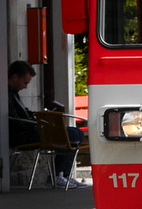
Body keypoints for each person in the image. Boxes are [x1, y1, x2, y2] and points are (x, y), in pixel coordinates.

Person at [8, 59, 86, 189]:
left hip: (28, 129)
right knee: (70, 134)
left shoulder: (13, 93)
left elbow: (23, 113)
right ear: (15, 77)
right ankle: (57, 175)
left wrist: (37, 117)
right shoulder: (6, 96)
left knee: (76, 132)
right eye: (25, 82)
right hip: (21, 134)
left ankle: (64, 175)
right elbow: (15, 121)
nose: (25, 87)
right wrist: (37, 122)